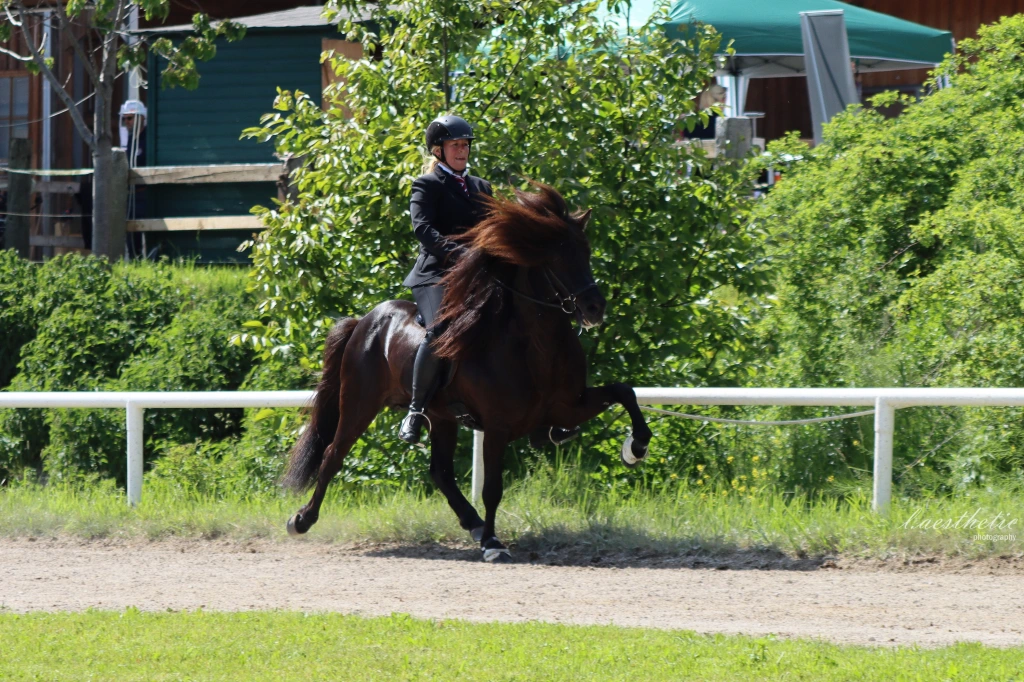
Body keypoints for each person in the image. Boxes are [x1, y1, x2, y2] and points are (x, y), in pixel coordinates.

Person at [399, 114, 493, 443]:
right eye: (455, 145)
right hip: (436, 273)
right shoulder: (427, 185)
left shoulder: (482, 187)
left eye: (465, 145)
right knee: (440, 330)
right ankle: (416, 409)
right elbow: (423, 229)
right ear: (438, 151)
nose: (462, 150)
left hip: (477, 273)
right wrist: (460, 254)